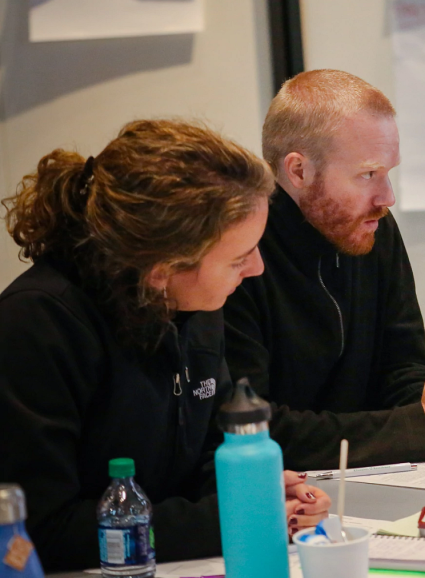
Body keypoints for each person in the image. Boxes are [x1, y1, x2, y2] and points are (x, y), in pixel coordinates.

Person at [0, 121, 332, 570]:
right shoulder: (37, 325)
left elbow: (212, 452)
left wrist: (257, 493)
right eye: (238, 258)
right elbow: (45, 531)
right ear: (162, 269)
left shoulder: (196, 302)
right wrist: (230, 519)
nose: (256, 269)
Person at [223, 69, 425, 468]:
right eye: (368, 174)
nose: (386, 197)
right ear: (298, 171)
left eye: (389, 173)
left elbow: (400, 364)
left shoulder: (374, 229)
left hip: (373, 477)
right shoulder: (240, 258)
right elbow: (256, 430)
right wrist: (416, 426)